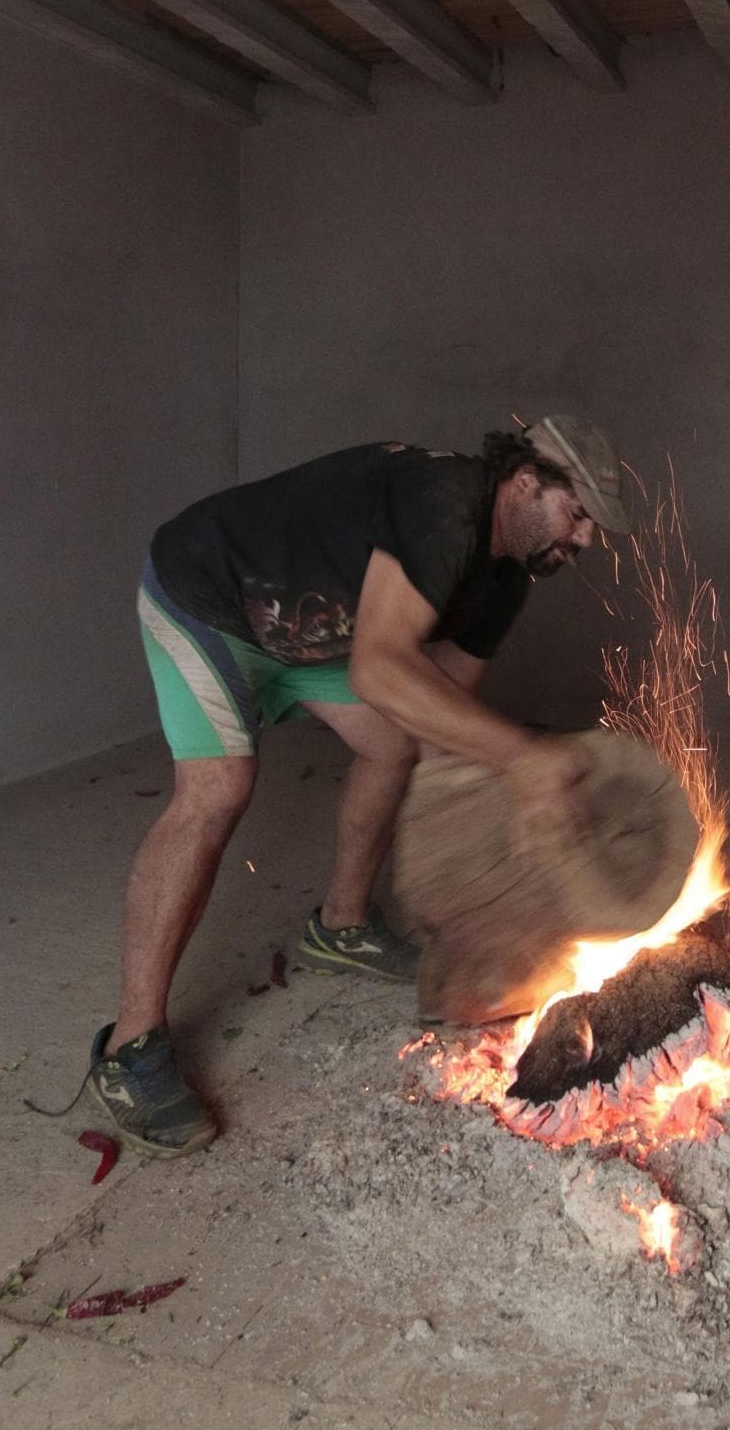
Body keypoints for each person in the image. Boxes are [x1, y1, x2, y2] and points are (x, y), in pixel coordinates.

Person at [87, 415, 630, 1157]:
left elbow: (443, 717)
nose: (586, 539)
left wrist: (511, 878)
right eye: (579, 514)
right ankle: (129, 1048)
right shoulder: (446, 503)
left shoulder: (504, 579)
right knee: (219, 788)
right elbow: (379, 671)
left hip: (303, 631)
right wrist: (527, 758)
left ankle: (338, 928)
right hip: (207, 594)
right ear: (526, 482)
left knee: (396, 743)